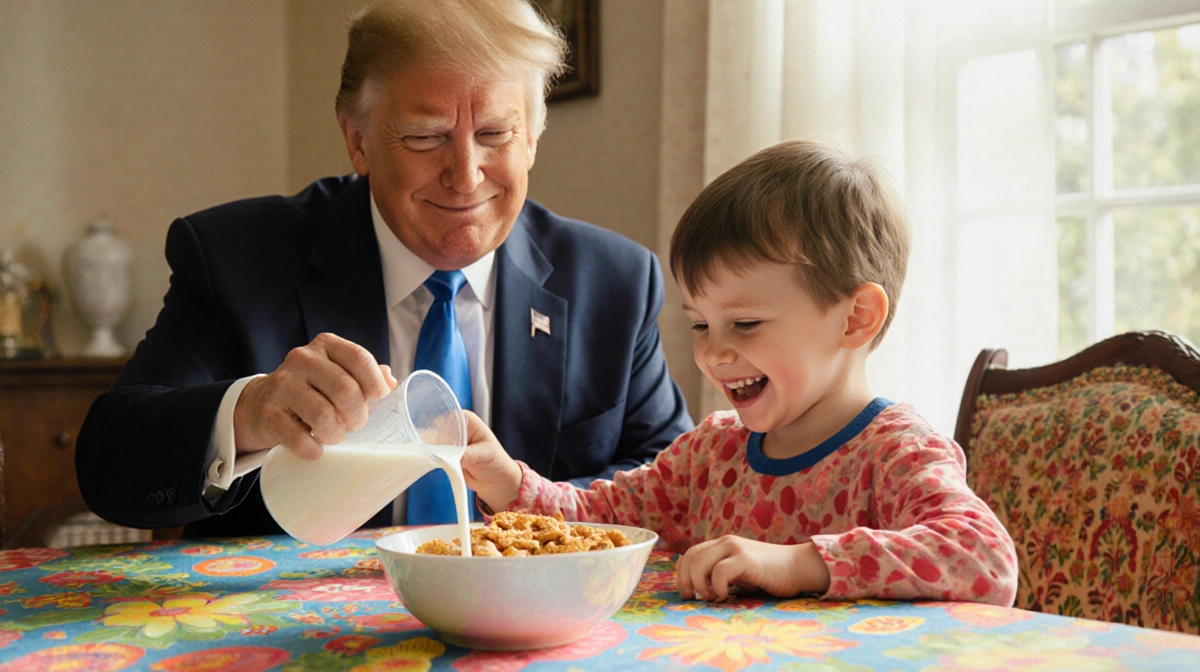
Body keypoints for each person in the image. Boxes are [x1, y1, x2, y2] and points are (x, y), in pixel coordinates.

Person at [75, 0, 692, 538]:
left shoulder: (614, 282)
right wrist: (250, 411)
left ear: (533, 136)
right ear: (358, 140)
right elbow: (110, 465)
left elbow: (676, 488)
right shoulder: (236, 258)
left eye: (496, 133)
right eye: (426, 137)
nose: (466, 174)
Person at [460, 140, 1019, 606]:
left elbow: (983, 558)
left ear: (856, 318)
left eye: (745, 324)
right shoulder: (710, 455)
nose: (713, 354)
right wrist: (507, 480)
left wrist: (803, 563)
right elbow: (595, 520)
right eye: (701, 325)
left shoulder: (896, 452)